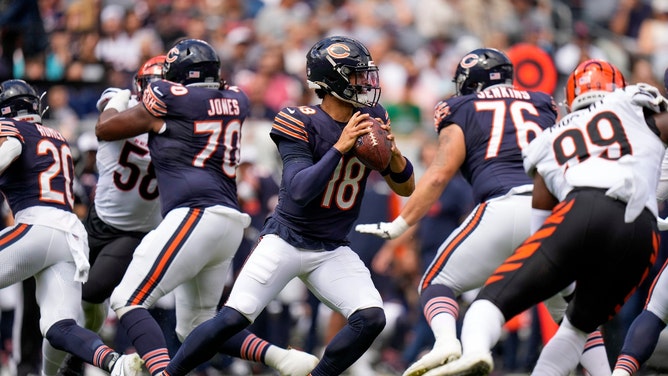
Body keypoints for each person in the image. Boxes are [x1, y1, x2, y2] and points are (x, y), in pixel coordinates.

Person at [156, 35, 416, 376]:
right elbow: (297, 190)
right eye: (355, 75)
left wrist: (394, 157)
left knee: (371, 317)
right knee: (232, 318)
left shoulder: (372, 115)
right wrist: (339, 147)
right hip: (286, 240)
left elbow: (406, 186)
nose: (365, 83)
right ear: (332, 79)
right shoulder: (298, 119)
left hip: (332, 247)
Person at [421, 59, 668, 376]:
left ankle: (476, 350)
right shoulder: (634, 102)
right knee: (577, 329)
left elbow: (542, 209)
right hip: (642, 233)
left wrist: (549, 264)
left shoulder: (548, 137)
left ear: (568, 102)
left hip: (584, 210)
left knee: (492, 300)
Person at [96, 38, 319, 376]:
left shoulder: (171, 98)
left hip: (194, 214)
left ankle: (159, 373)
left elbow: (106, 128)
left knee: (127, 299)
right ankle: (281, 358)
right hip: (228, 221)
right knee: (196, 327)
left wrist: (115, 101)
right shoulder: (237, 99)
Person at [355, 47, 562, 376]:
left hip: (503, 206)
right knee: (574, 317)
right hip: (553, 214)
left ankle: (447, 342)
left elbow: (438, 174)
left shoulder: (462, 106)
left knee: (437, 281)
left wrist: (399, 225)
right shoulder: (542, 102)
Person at [0, 79, 144, 376]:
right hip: (70, 236)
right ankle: (116, 363)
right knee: (58, 326)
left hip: (37, 226)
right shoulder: (57, 136)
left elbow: (12, 146)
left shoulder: (13, 130)